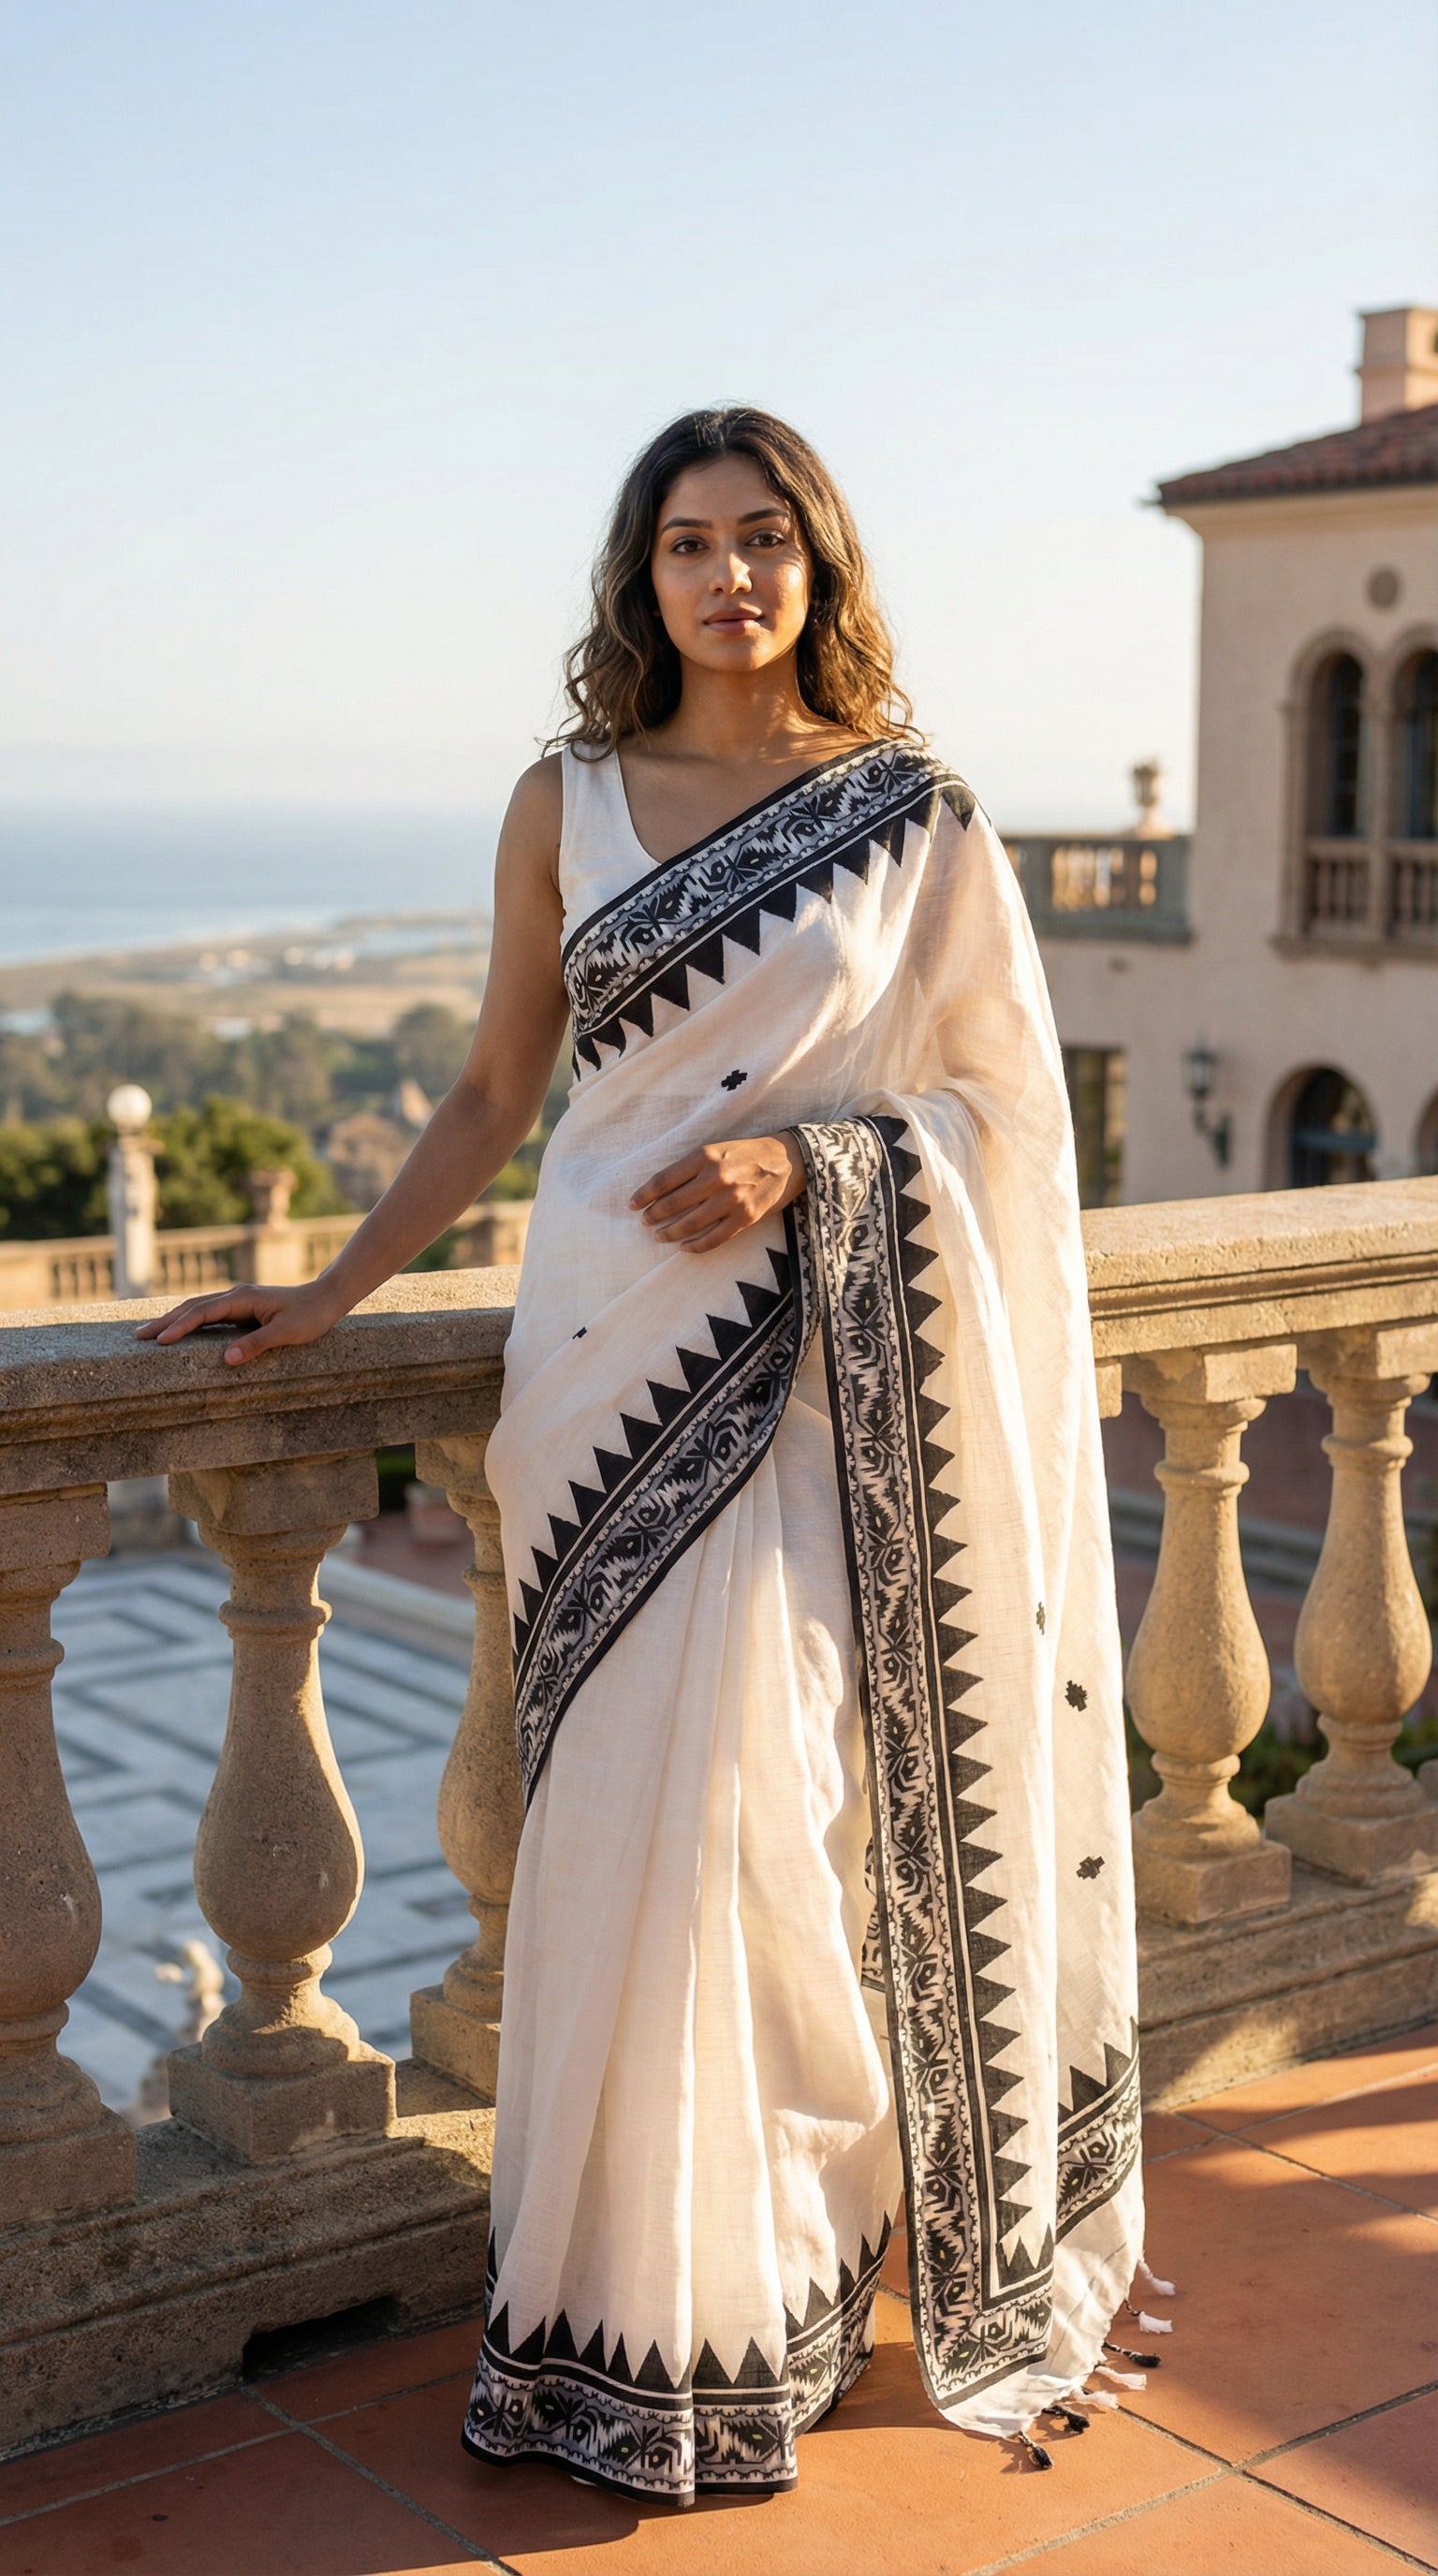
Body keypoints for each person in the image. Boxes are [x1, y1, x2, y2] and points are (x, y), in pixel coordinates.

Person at [140, 407, 1147, 2503]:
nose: (729, 576)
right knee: (616, 1838)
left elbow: (1007, 1123)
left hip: (809, 1379)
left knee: (768, 1822)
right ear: (643, 575)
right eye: (691, 543)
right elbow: (495, 1084)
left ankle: (765, 2287)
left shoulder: (913, 817)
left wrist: (814, 1160)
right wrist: (330, 1290)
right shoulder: (567, 797)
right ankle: (599, 2318)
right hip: (595, 1371)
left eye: (766, 538)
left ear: (819, 563)